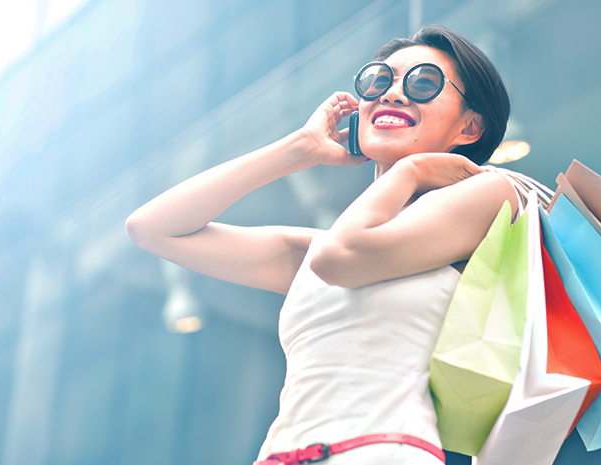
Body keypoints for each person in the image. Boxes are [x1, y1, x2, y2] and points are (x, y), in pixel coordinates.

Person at [126, 25, 517, 465]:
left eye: (422, 83)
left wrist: (412, 171)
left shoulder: (490, 194)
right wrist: (300, 148)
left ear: (470, 126)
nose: (391, 95)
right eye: (378, 81)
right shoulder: (319, 248)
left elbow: (340, 260)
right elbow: (151, 227)